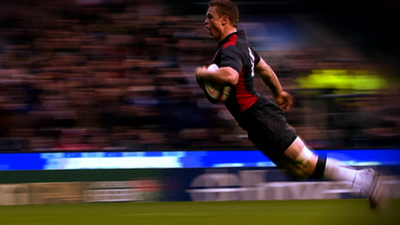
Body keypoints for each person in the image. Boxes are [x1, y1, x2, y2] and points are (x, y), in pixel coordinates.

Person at [195, 0, 385, 209]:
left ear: (224, 20)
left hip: (260, 117)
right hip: (255, 121)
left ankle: (363, 179)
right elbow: (265, 69)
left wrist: (203, 73)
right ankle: (359, 178)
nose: (205, 21)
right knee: (297, 171)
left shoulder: (231, 48)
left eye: (209, 17)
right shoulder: (241, 45)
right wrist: (279, 92)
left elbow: (231, 76)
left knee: (305, 160)